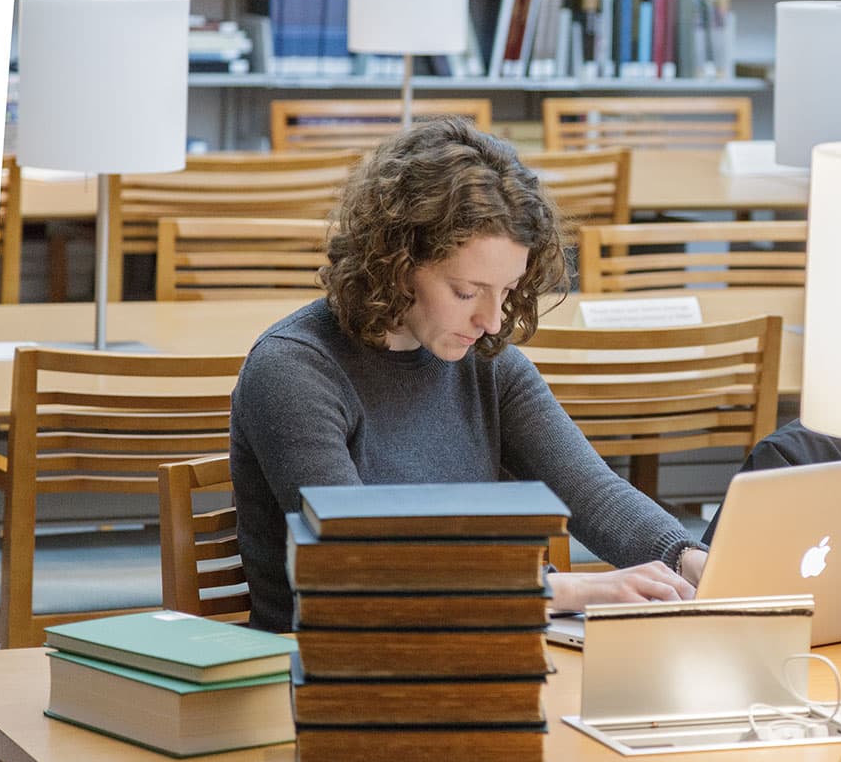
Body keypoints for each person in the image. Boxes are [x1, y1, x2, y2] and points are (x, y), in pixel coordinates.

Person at [230, 118, 707, 632]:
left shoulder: (487, 363)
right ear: (395, 263)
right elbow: (362, 565)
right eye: (466, 292)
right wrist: (571, 589)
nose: (492, 321)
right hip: (320, 668)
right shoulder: (294, 371)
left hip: (477, 643)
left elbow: (592, 491)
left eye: (506, 291)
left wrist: (688, 559)